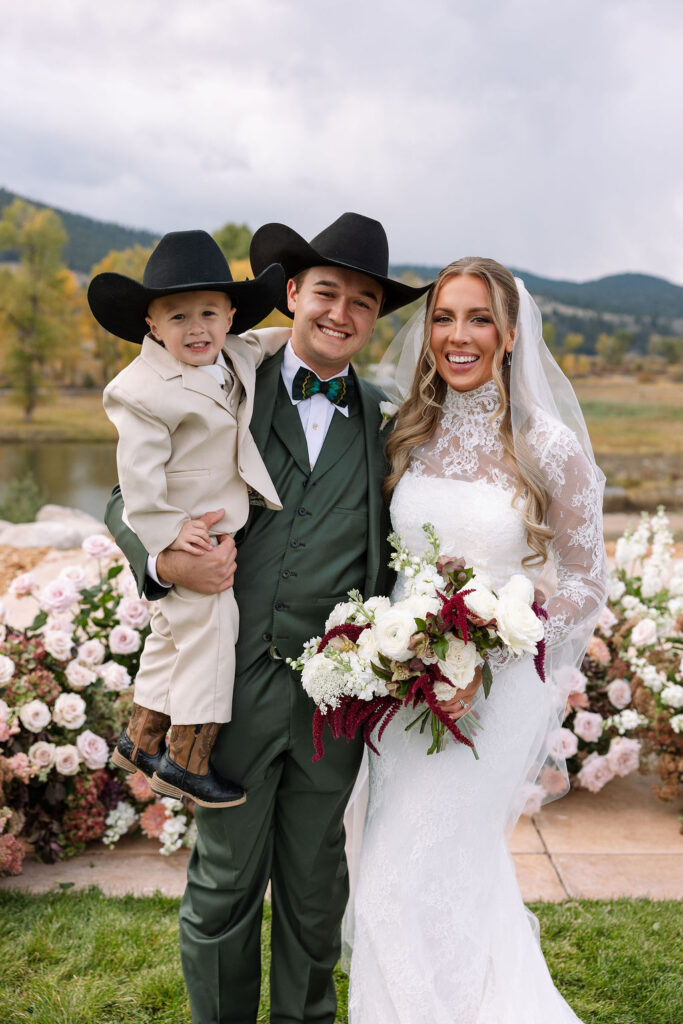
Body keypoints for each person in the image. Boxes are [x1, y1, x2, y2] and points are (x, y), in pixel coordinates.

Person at [104, 212, 430, 1023]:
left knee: (317, 887)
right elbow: (124, 498)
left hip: (335, 696)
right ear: (292, 294)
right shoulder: (225, 378)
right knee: (225, 884)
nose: (341, 313)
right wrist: (166, 558)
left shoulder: (385, 419)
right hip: (236, 679)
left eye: (362, 301)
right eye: (326, 292)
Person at [347, 257, 608, 1023]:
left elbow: (586, 582)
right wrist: (392, 646)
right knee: (434, 872)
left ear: (510, 332)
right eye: (442, 317)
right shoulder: (407, 432)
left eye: (478, 318)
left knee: (399, 879)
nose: (457, 336)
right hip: (403, 681)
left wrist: (494, 646)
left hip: (493, 693)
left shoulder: (549, 446)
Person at [89, 229, 285, 807]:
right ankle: (186, 760)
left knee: (171, 639)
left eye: (208, 313)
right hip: (192, 534)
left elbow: (267, 343)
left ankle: (139, 739)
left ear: (230, 317)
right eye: (177, 316)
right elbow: (138, 480)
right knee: (210, 639)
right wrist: (173, 538)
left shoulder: (233, 354)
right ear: (152, 325)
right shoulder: (141, 390)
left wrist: (295, 337)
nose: (195, 327)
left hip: (209, 525)